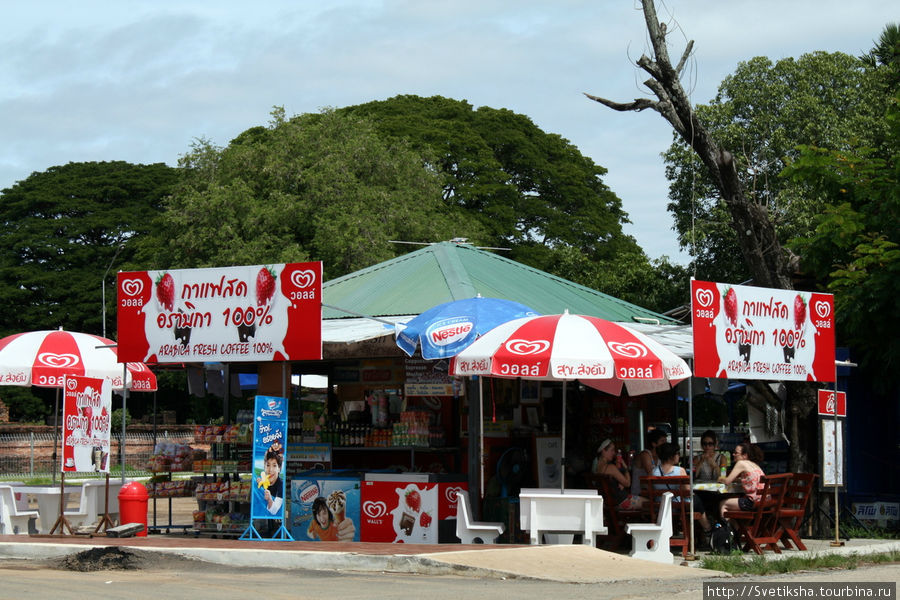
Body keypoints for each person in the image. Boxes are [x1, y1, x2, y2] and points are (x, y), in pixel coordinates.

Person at [652, 442, 712, 533]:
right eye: (677, 453)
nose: (678, 456)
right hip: (677, 505)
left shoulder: (653, 471)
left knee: (695, 500)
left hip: (659, 505)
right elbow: (687, 491)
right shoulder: (679, 470)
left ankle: (705, 529)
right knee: (696, 500)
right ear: (671, 456)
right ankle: (707, 528)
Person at [594, 438, 645, 510]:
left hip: (608, 503)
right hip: (621, 501)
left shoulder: (597, 467)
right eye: (612, 450)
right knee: (650, 504)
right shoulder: (610, 467)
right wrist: (625, 467)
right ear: (603, 451)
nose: (614, 453)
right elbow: (627, 483)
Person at [718, 442, 765, 519]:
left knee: (723, 504)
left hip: (752, 503)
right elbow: (751, 480)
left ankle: (726, 530)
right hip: (764, 502)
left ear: (744, 455)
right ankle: (735, 530)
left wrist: (720, 478)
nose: (733, 454)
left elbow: (727, 481)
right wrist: (737, 480)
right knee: (734, 504)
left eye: (736, 453)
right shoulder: (755, 465)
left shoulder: (741, 463)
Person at [630, 429, 667, 497]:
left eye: (665, 441)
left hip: (652, 494)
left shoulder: (660, 456)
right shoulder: (645, 454)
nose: (665, 444)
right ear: (653, 444)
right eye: (662, 441)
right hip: (639, 495)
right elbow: (651, 475)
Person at [259, 445, 284, 516]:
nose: (270, 470)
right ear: (264, 466)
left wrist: (270, 499)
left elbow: (274, 511)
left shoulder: (281, 485)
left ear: (279, 468)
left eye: (274, 465)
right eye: (268, 465)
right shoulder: (262, 480)